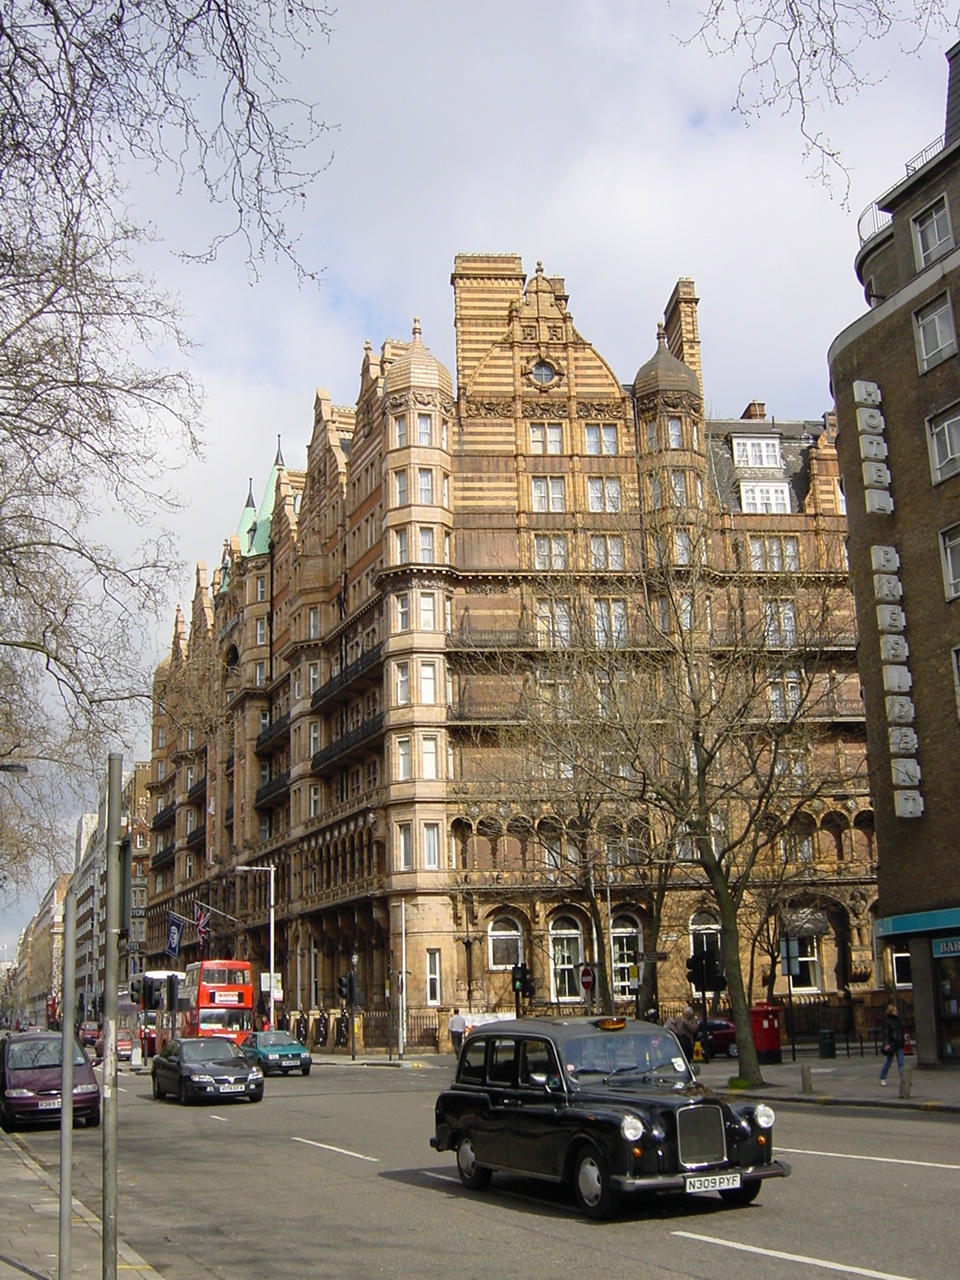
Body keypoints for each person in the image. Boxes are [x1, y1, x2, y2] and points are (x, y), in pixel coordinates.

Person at [880, 1000, 906, 1085]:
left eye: (896, 1010)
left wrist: (903, 1040)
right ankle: (882, 1077)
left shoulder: (898, 1020)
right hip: (892, 1044)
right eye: (894, 1010)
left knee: (901, 1063)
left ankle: (904, 1079)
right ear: (891, 1011)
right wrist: (886, 1044)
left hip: (898, 1043)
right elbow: (886, 1033)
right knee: (889, 1062)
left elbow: (900, 1031)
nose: (896, 1012)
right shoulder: (888, 1022)